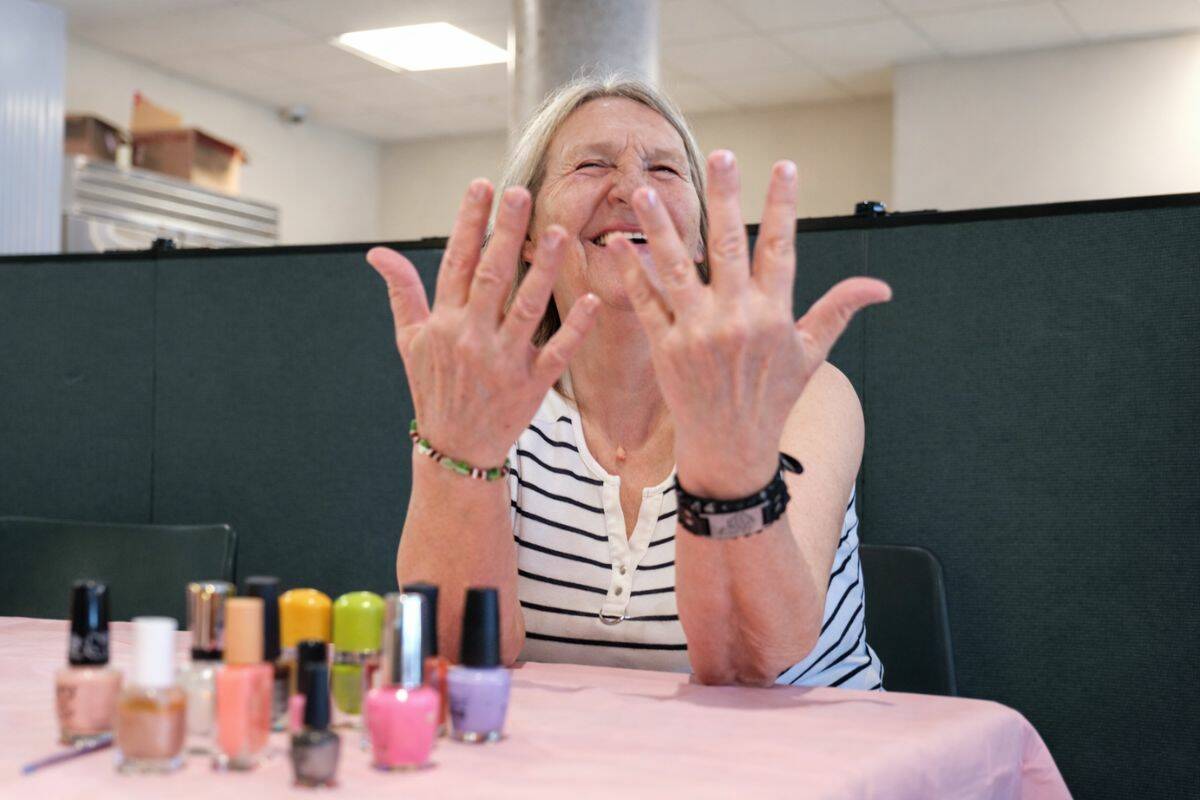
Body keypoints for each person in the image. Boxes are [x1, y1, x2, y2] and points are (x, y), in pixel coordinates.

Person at [366, 75, 891, 689]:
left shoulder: (795, 394)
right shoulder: (496, 396)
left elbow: (756, 657)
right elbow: (457, 650)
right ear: (530, 232)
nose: (634, 190)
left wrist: (729, 474)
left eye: (666, 171)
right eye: (591, 164)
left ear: (696, 235)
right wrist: (459, 452)